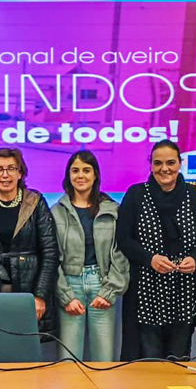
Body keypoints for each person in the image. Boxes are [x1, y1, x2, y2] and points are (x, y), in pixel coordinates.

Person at [116, 140, 196, 361]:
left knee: (179, 357)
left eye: (170, 162)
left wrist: (195, 259)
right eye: (158, 163)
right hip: (146, 288)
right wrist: (150, 259)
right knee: (149, 360)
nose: (164, 168)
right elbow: (123, 239)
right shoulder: (136, 194)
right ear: (150, 165)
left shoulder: (194, 195)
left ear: (180, 163)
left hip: (183, 289)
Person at [51, 150, 130, 362]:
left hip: (101, 285)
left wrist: (109, 291)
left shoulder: (112, 210)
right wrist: (66, 295)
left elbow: (120, 254)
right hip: (70, 285)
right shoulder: (56, 212)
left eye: (87, 170)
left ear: (95, 175)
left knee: (104, 359)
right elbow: (51, 258)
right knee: (69, 359)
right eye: (75, 170)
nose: (81, 175)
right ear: (68, 175)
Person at [0, 148, 60, 334]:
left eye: (11, 168)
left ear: (20, 173)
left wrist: (40, 295)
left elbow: (50, 253)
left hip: (27, 291)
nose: (5, 175)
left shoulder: (35, 203)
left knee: (25, 349)